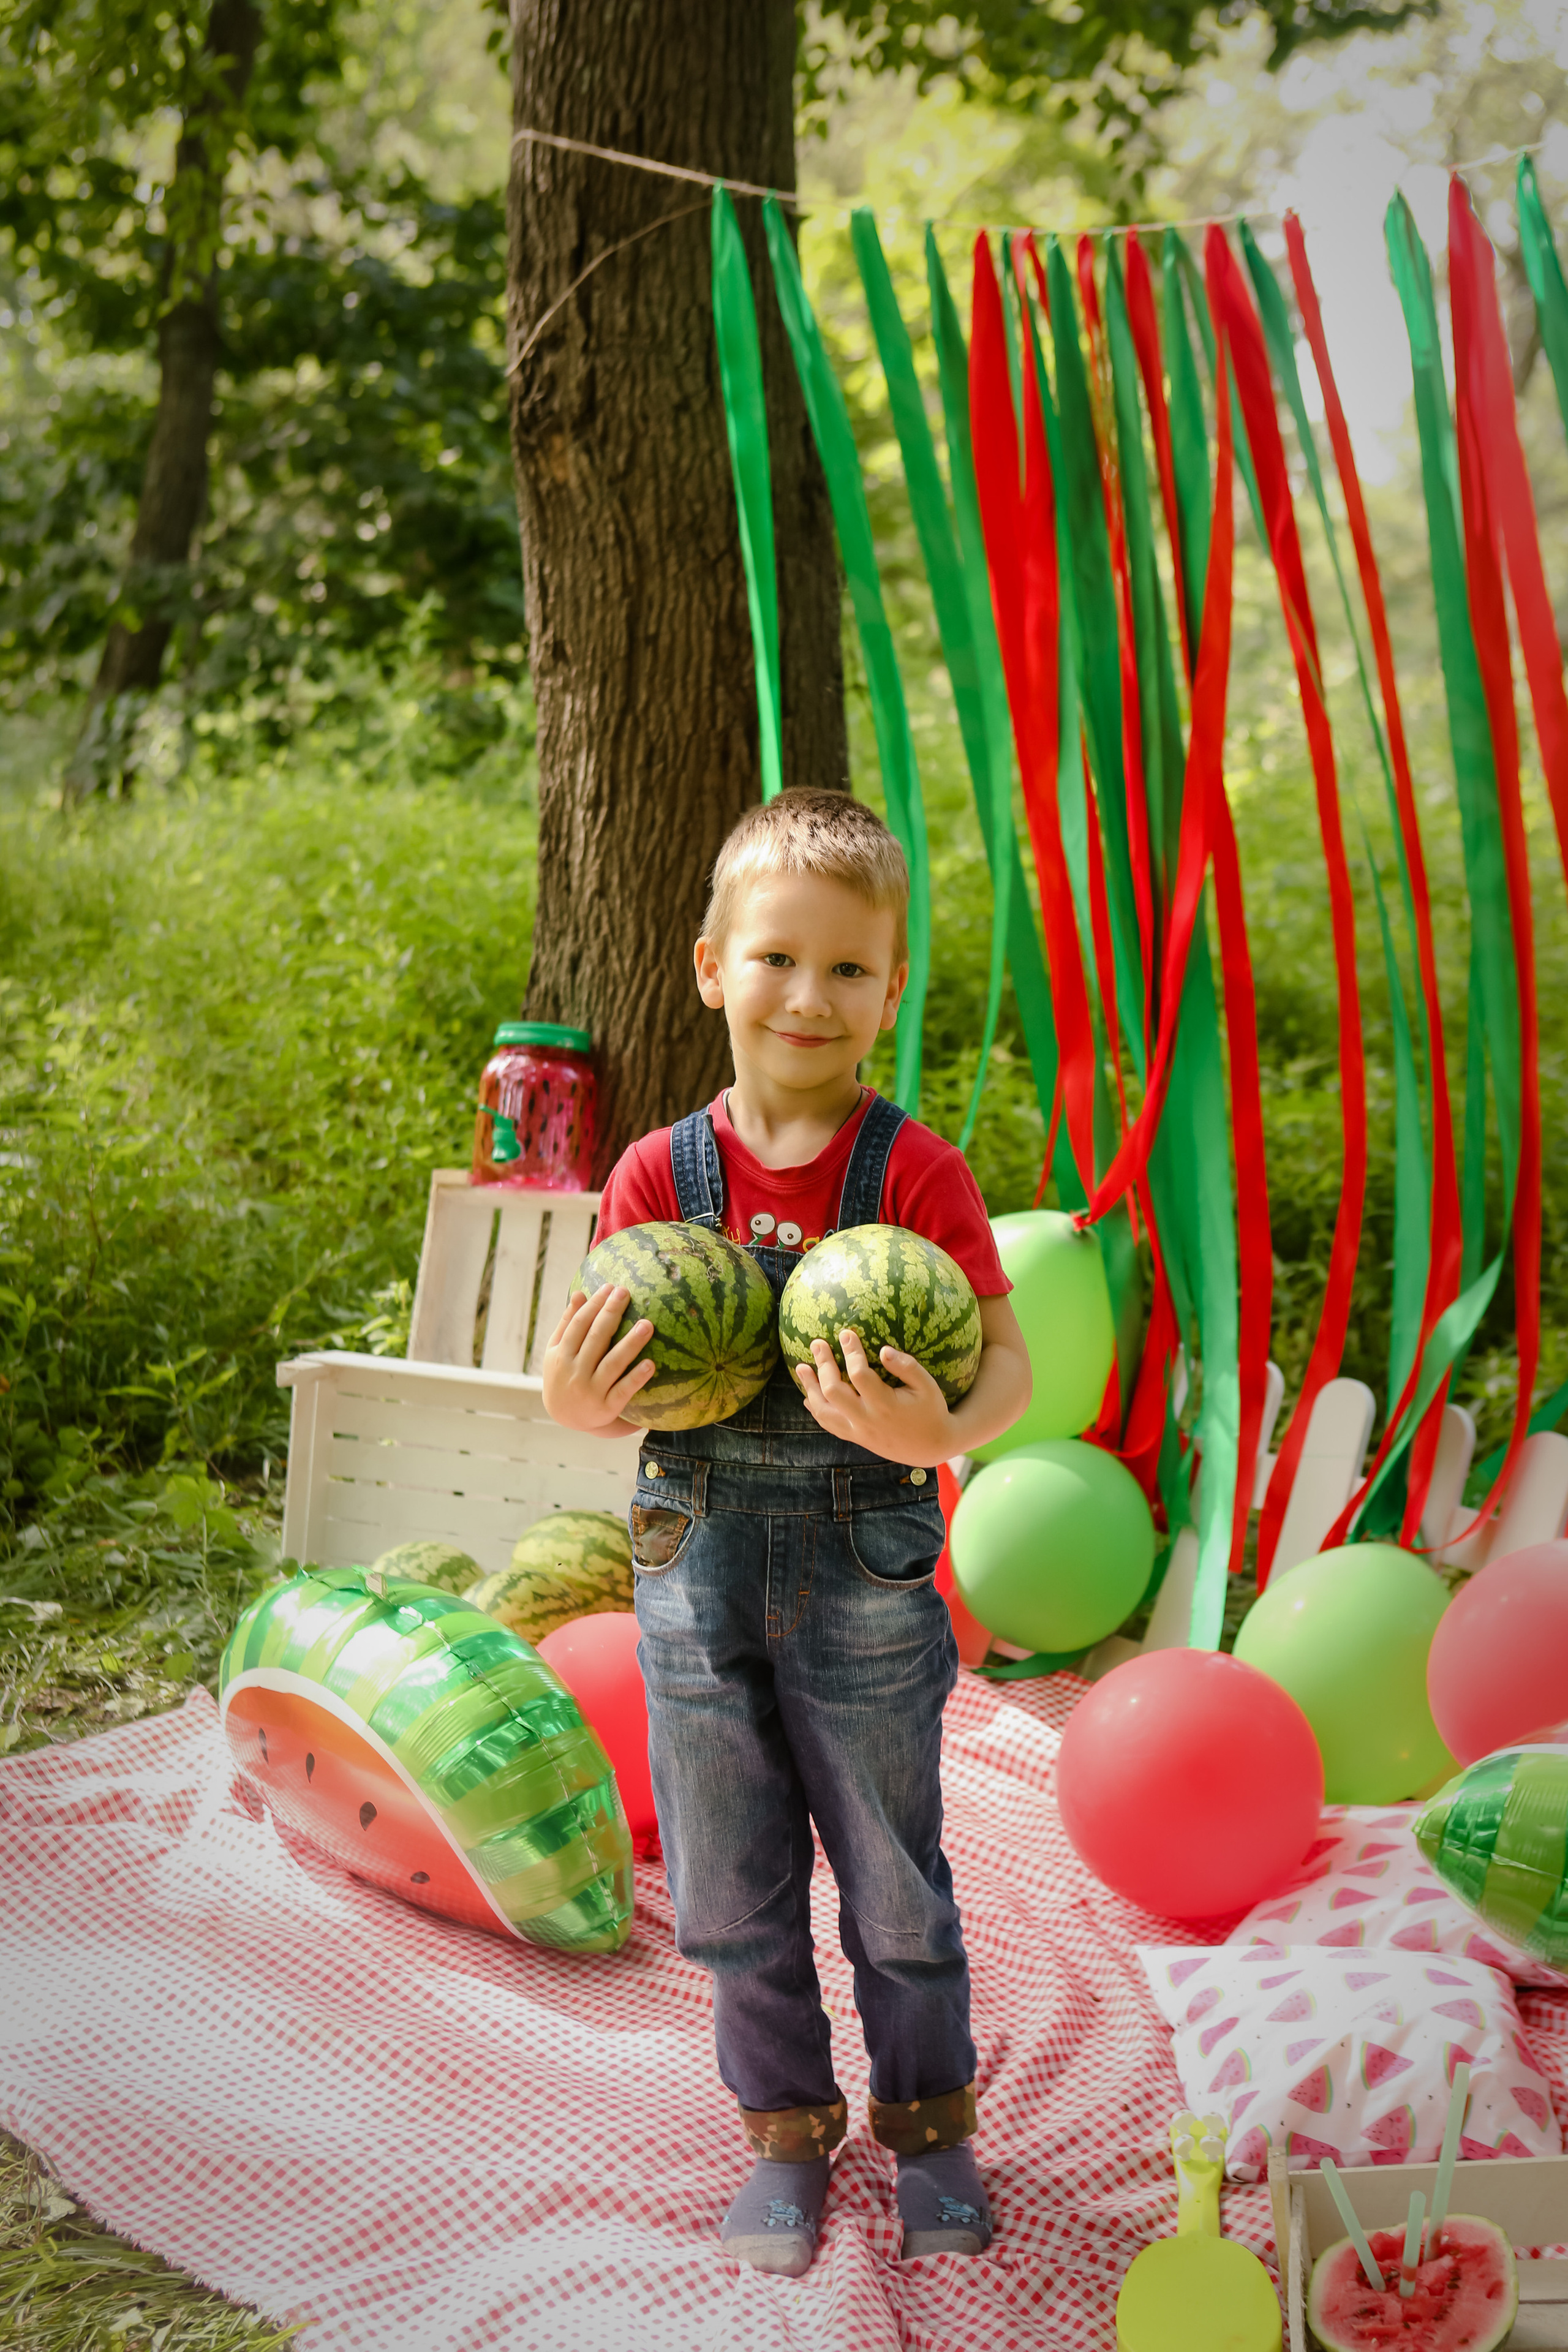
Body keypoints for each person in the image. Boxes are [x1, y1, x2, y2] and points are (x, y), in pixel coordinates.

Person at [541, 789, 1032, 2277]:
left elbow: (1003, 1365)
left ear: (889, 990)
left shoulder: (917, 1173)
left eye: (846, 969)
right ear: (710, 969)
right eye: (775, 959)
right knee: (723, 1884)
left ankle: (930, 2126)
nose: (806, 997)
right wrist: (570, 1402)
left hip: (868, 1568)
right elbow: (587, 1378)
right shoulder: (651, 1179)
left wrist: (939, 1435)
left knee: (893, 1876)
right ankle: (784, 2132)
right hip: (692, 1571)